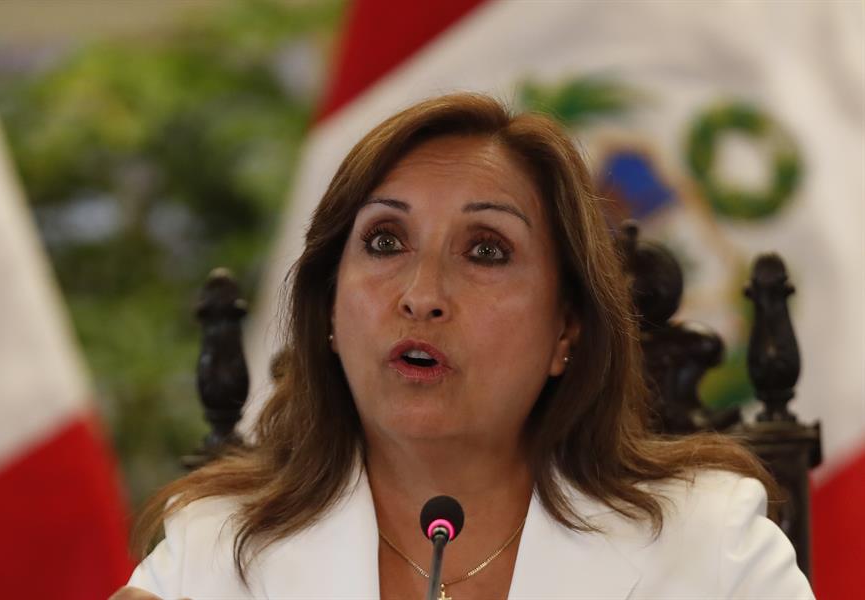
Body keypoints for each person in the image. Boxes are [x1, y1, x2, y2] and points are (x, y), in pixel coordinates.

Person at [113, 94, 813, 599]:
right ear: (329, 308)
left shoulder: (710, 545)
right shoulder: (213, 551)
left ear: (565, 329)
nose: (421, 294)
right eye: (384, 242)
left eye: (486, 250)